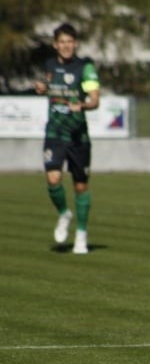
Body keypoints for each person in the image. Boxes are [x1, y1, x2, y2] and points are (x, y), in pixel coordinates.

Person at [34, 23, 101, 255]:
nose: (66, 46)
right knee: (53, 179)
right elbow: (44, 82)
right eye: (62, 42)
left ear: (76, 44)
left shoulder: (86, 68)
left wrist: (82, 104)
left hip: (78, 136)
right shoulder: (50, 66)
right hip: (55, 132)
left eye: (70, 42)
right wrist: (41, 86)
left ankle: (81, 235)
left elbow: (95, 100)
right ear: (55, 45)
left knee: (80, 186)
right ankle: (64, 213)